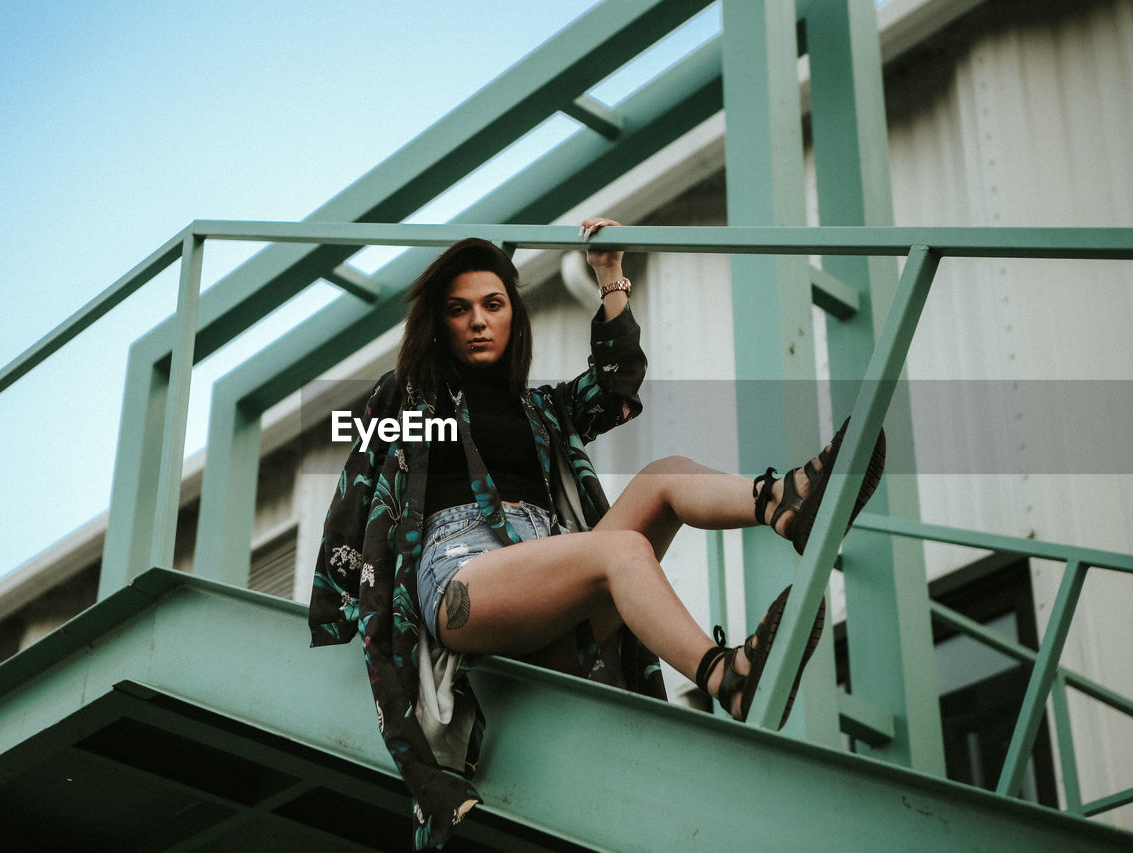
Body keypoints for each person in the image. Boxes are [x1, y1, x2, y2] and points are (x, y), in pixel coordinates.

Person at [308, 218, 885, 850]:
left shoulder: (542, 412)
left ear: (513, 318)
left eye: (493, 305)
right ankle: (726, 676)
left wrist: (610, 277)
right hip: (462, 584)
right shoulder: (413, 405)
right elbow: (357, 442)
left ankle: (786, 502)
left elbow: (614, 389)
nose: (478, 320)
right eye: (459, 309)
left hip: (550, 586)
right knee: (622, 549)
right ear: (438, 325)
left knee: (663, 476)